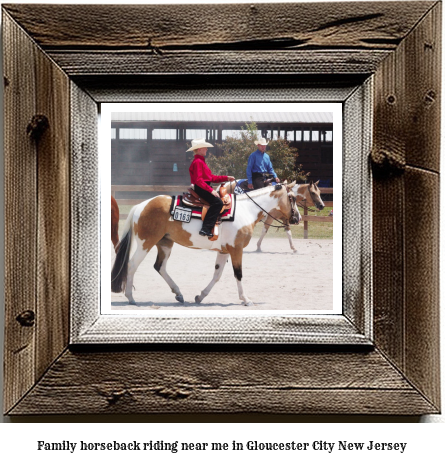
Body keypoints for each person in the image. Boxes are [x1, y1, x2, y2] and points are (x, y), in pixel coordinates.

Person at [188, 138, 235, 237]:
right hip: (201, 187)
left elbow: (211, 177)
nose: (207, 149)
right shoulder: (198, 162)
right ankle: (205, 228)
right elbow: (199, 180)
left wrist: (226, 178)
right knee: (217, 202)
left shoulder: (200, 161)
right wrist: (211, 190)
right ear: (200, 149)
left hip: (202, 186)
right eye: (205, 148)